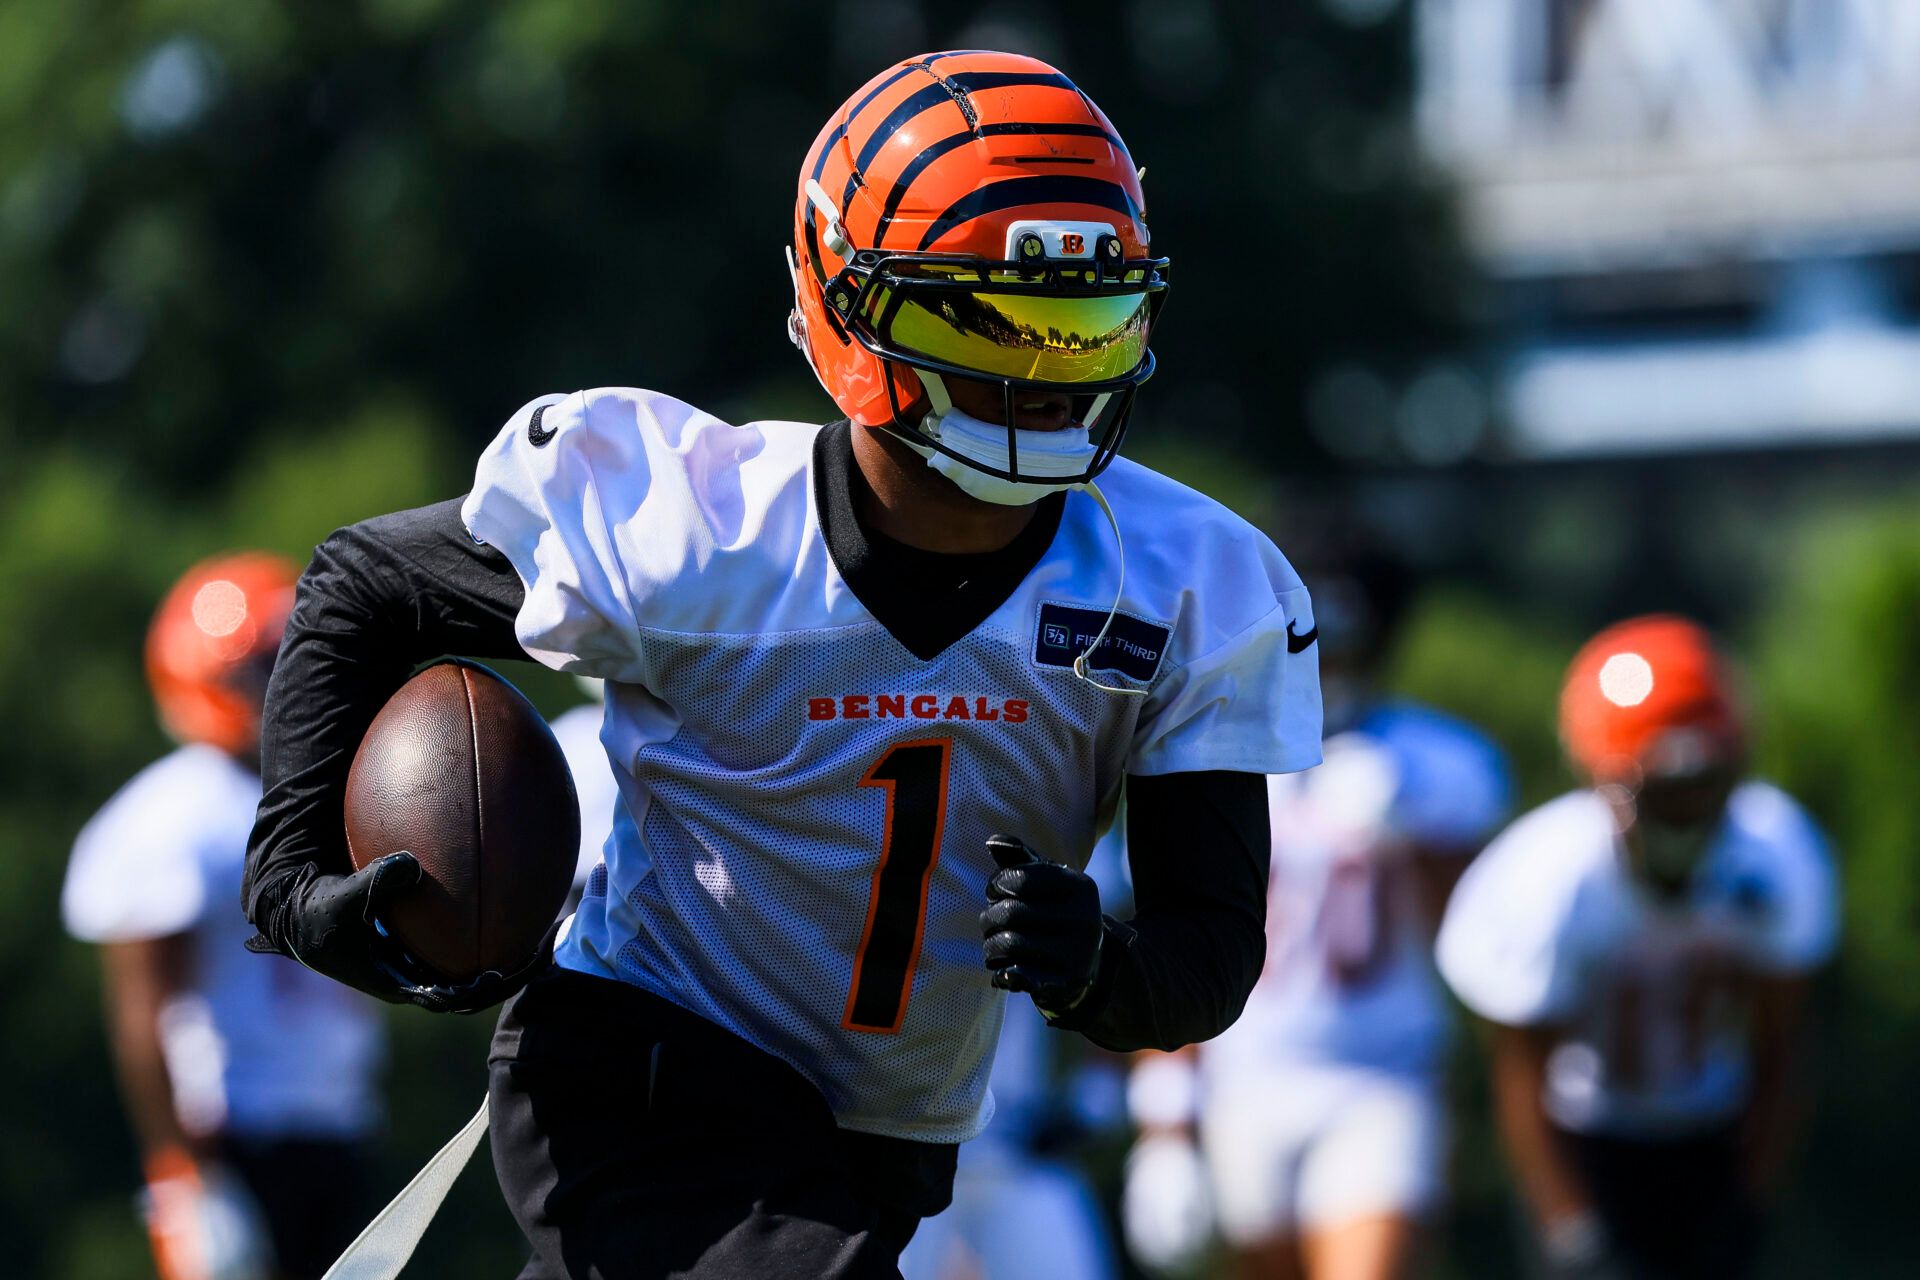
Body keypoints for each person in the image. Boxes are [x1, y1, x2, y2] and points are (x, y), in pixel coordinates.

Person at [241, 50, 1322, 1280]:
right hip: (641, 1070)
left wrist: (1102, 972)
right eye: (980, 323)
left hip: (882, 1141)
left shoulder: (1182, 582)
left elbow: (1208, 954)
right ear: (847, 307)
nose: (1035, 379)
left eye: (1080, 328)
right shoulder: (699, 528)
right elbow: (364, 584)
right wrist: (287, 874)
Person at [1123, 561, 1510, 1280]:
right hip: (1245, 1080)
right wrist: (1165, 1127)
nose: (1331, 664)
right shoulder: (1217, 748)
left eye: (1349, 644)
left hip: (1382, 1076)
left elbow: (1488, 949)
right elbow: (1175, 938)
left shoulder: (1442, 761)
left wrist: (1417, 841)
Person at [1437, 615, 1838, 1279]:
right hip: (1585, 1140)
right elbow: (1521, 1075)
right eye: (1664, 790)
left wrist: (1750, 1196)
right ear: (1601, 778)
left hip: (1709, 1133)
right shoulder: (1549, 879)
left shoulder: (1775, 855)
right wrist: (1569, 1226)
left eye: (1704, 782)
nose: (1686, 808)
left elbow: (1781, 1045)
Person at [63, 553, 384, 1280]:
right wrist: (184, 1176)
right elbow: (143, 1012)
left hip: (336, 1115)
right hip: (234, 1132)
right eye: (266, 665)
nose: (289, 680)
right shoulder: (173, 818)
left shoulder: (332, 790)